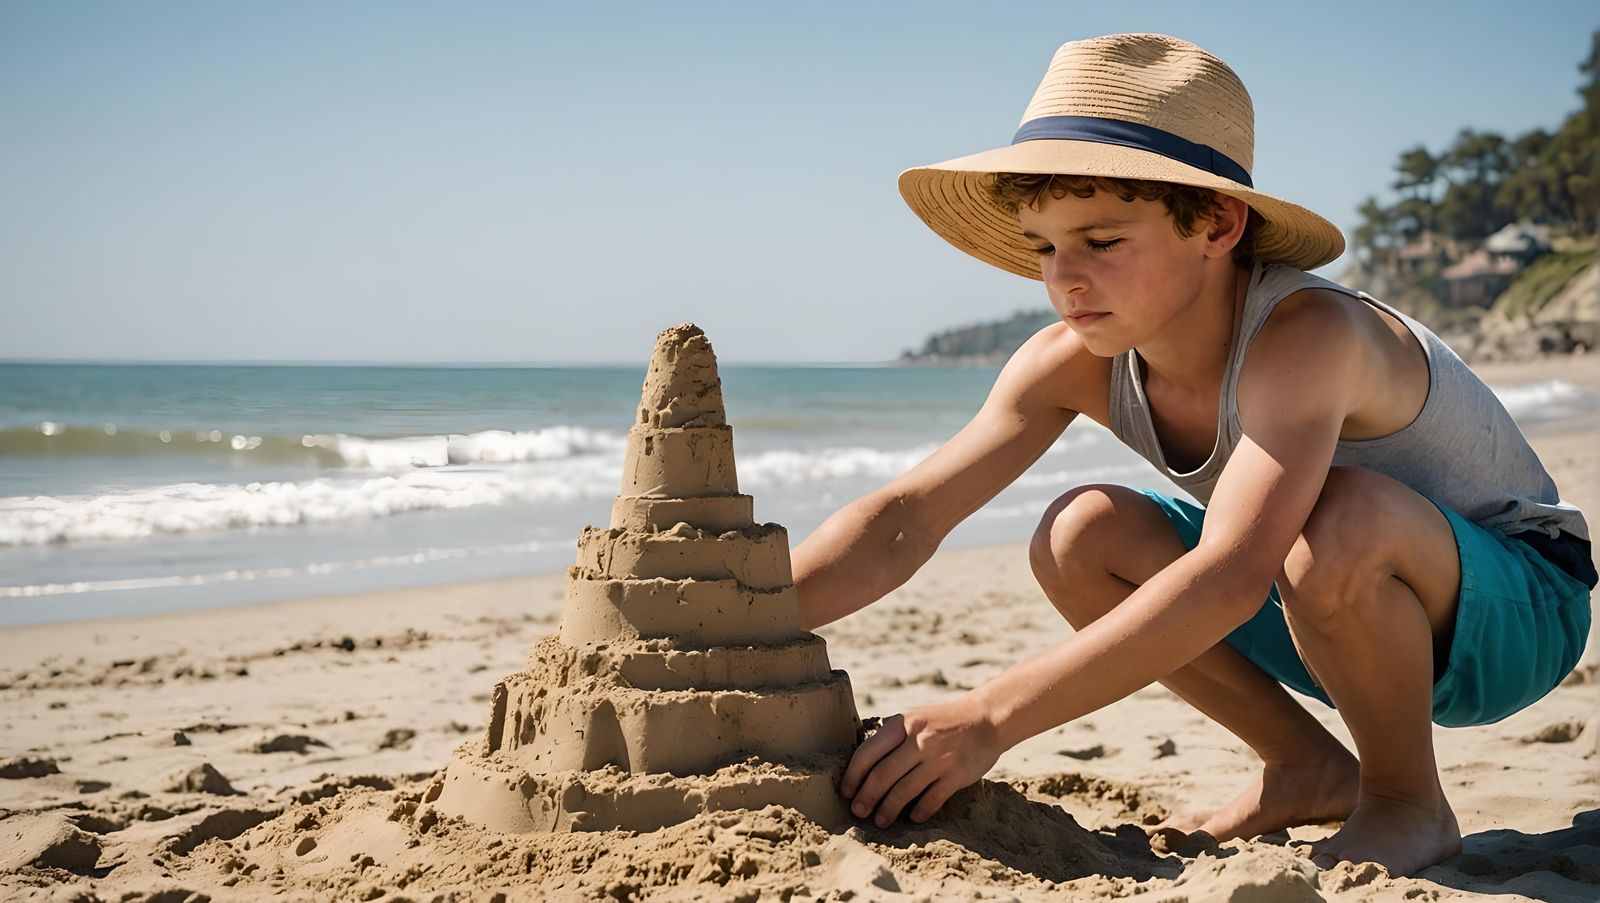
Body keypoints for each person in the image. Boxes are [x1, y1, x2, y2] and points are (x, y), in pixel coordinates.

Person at [790, 33, 1596, 877]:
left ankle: (1405, 803)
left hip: (1520, 609)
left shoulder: (1309, 334)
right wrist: (746, 625)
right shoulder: (1073, 358)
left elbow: (1231, 572)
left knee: (1336, 515)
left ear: (1216, 223)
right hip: (1324, 614)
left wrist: (988, 718)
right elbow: (909, 516)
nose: (1064, 279)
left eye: (1101, 242)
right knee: (1081, 533)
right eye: (1043, 247)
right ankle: (1306, 765)